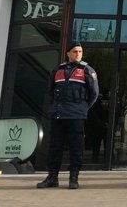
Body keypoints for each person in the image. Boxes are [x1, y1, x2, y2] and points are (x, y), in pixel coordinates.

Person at [37, 41, 99, 190]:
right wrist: (52, 108)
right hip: (58, 115)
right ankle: (52, 177)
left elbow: (94, 93)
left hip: (76, 115)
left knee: (76, 148)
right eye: (75, 51)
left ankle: (73, 178)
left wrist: (82, 108)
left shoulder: (87, 70)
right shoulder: (57, 70)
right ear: (68, 53)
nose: (78, 54)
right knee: (55, 148)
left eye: (80, 51)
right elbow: (50, 92)